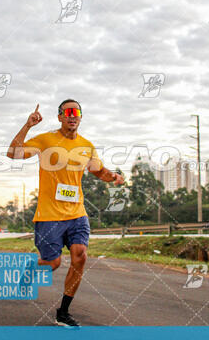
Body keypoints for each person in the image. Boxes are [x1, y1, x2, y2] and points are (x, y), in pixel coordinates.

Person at [7, 99, 124, 327]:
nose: (72, 115)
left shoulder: (87, 146)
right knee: (53, 263)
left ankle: (63, 312)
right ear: (59, 117)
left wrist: (114, 177)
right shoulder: (46, 140)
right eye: (67, 112)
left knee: (80, 256)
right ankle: (32, 267)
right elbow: (13, 153)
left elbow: (98, 170)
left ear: (80, 117)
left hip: (77, 213)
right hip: (49, 216)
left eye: (76, 112)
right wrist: (28, 125)